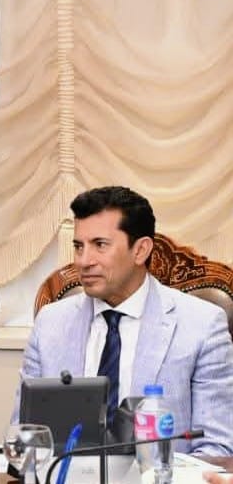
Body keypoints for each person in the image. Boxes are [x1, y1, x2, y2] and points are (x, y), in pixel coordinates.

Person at [12, 186, 233, 456]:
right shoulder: (50, 323)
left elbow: (216, 448)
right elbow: (23, 437)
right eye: (79, 246)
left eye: (100, 245)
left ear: (140, 250)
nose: (84, 261)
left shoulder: (202, 325)